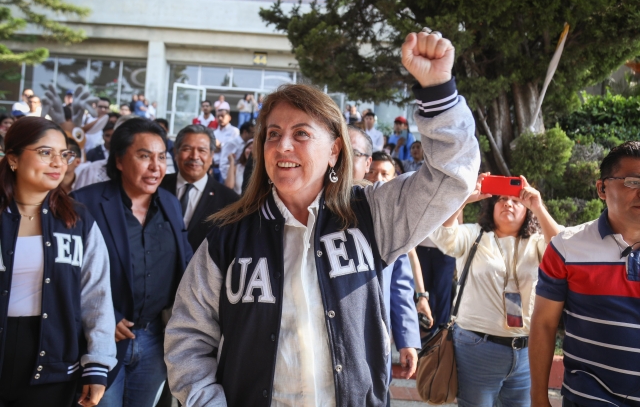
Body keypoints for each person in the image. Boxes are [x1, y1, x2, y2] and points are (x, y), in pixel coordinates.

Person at [164, 29, 480, 406]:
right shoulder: (226, 236)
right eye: (272, 134)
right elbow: (187, 337)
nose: (283, 146)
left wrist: (439, 91)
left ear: (333, 150)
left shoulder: (371, 213)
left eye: (301, 133)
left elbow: (451, 177)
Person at [72, 119, 193, 407]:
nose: (156, 167)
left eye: (162, 157)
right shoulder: (85, 203)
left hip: (154, 339)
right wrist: (105, 317)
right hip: (101, 340)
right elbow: (67, 272)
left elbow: (185, 264)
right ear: (120, 160)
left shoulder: (169, 202)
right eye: (144, 156)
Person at [0, 117, 117, 407]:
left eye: (63, 154)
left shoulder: (77, 221)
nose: (57, 162)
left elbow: (97, 296)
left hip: (53, 363)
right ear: (13, 158)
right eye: (45, 152)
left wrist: (98, 364)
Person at [429, 172, 561, 407]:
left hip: (525, 351)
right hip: (477, 347)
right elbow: (441, 235)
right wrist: (463, 198)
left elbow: (563, 248)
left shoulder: (536, 242)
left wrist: (539, 207)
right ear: (491, 206)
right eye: (501, 199)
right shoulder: (473, 235)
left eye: (516, 201)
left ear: (527, 210)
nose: (508, 203)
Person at [529, 141, 640, 407]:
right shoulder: (567, 248)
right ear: (602, 188)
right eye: (632, 182)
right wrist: (538, 398)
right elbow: (544, 324)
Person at [350, 134, 423, 383]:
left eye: (354, 154)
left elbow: (400, 285)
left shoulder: (391, 221)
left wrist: (407, 339)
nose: (377, 179)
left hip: (372, 336)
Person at [160, 124, 239, 253]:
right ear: (175, 152)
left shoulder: (229, 201)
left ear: (211, 156)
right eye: (187, 149)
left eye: (202, 150)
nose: (194, 156)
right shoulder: (157, 187)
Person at [212, 104, 239, 180]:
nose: (220, 118)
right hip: (214, 167)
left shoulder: (234, 131)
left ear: (229, 117)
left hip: (226, 169)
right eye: (218, 116)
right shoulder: (215, 133)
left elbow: (235, 149)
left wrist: (220, 145)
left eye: (222, 116)